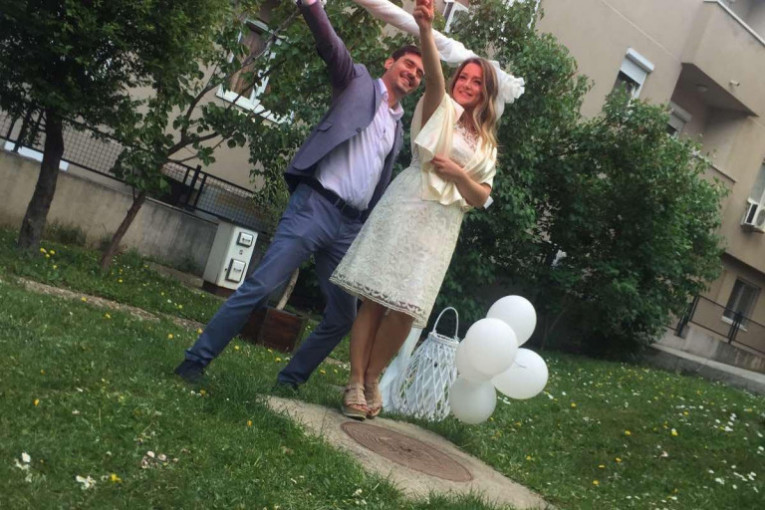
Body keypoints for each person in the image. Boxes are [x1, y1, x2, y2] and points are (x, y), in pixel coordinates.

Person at [174, 0, 424, 387]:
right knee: (261, 286)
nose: (413, 74)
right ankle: (195, 361)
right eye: (408, 64)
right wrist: (311, 6)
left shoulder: (398, 127)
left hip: (348, 228)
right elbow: (332, 46)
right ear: (390, 62)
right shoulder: (357, 82)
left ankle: (290, 381)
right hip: (315, 207)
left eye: (420, 73)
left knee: (342, 316)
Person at [329, 0, 501, 419]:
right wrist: (425, 30)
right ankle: (356, 381)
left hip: (442, 225)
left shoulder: (487, 144)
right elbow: (436, 79)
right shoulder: (439, 108)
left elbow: (482, 196)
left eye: (477, 82)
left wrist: (458, 174)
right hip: (408, 204)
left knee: (407, 309)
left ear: (486, 92)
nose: (467, 85)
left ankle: (374, 376)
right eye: (464, 77)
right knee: (375, 298)